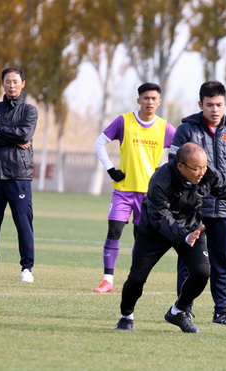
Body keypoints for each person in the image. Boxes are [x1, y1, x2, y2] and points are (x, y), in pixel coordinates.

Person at [115, 142, 226, 333]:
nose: (201, 172)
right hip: (155, 229)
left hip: (191, 226)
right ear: (180, 167)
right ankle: (126, 316)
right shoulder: (160, 181)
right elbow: (161, 217)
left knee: (202, 272)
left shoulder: (207, 173)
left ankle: (178, 311)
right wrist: (184, 236)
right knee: (136, 278)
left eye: (204, 166)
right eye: (196, 168)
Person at [168, 80, 226, 326]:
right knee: (188, 262)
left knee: (220, 263)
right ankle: (184, 309)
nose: (215, 110)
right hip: (192, 211)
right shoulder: (186, 130)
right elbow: (174, 170)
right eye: (209, 105)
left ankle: (221, 312)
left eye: (219, 105)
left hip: (224, 210)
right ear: (200, 105)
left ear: (225, 104)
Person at [92, 82, 176, 293]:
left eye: (153, 99)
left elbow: (181, 152)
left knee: (142, 239)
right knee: (114, 231)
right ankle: (107, 280)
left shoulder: (165, 127)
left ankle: (136, 280)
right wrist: (111, 169)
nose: (149, 102)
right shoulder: (124, 121)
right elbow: (99, 143)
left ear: (159, 102)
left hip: (149, 195)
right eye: (145, 98)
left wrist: (167, 176)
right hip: (123, 190)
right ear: (138, 100)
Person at [0, 67, 38, 283]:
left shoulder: (30, 111)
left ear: (23, 83)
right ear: (2, 84)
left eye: (15, 81)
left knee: (23, 223)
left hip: (19, 176)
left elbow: (26, 133)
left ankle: (27, 268)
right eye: (7, 82)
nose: (11, 85)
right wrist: (9, 136)